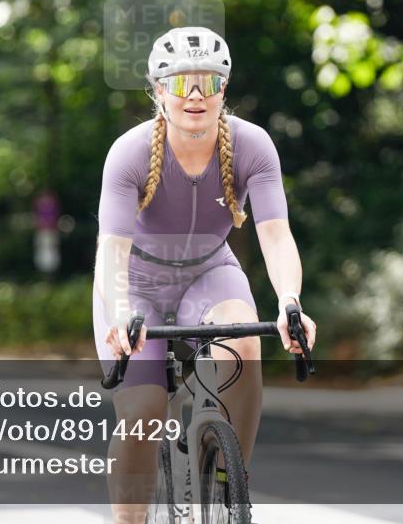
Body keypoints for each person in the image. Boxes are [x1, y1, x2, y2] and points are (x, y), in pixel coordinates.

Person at [93, 26, 317, 523]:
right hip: (137, 285)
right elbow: (112, 248)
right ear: (157, 92)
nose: (194, 95)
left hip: (210, 274)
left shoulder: (252, 145)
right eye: (179, 83)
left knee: (246, 342)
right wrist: (122, 311)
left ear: (224, 89)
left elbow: (276, 235)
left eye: (208, 82)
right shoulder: (128, 153)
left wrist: (289, 302)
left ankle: (226, 484)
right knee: (144, 415)